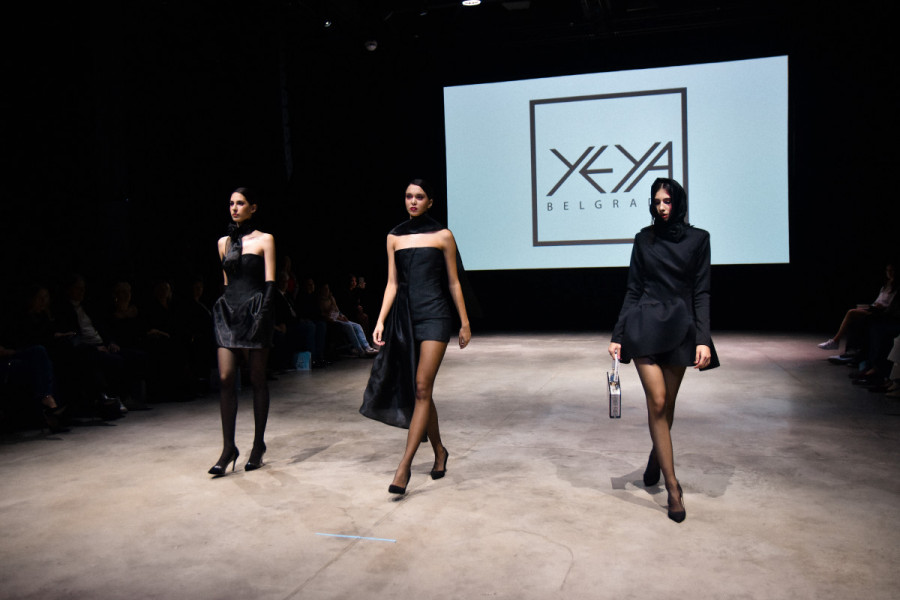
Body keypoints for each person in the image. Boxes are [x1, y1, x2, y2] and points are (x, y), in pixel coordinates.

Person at [608, 177, 719, 523]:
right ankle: (673, 487)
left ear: (678, 203)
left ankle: (657, 456)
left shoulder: (699, 239)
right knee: (657, 402)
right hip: (644, 324)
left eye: (667, 201)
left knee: (667, 405)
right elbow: (633, 288)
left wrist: (703, 339)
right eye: (656, 201)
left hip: (681, 326)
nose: (661, 207)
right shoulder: (644, 239)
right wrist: (618, 334)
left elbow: (701, 291)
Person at [360, 178, 471, 495]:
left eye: (419, 197)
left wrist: (464, 322)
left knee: (422, 386)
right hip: (404, 318)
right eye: (408, 196)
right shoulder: (394, 236)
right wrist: (380, 319)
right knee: (422, 390)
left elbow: (453, 282)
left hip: (435, 315)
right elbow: (392, 283)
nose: (413, 201)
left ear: (430, 202)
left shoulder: (443, 235)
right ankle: (439, 450)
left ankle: (404, 467)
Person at [208, 187, 276, 476]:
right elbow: (227, 282)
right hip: (228, 313)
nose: (234, 208)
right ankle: (228, 449)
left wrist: (262, 317)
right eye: (231, 203)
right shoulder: (223, 242)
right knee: (225, 378)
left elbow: (270, 283)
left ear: (253, 207)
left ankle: (258, 445)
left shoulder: (265, 239)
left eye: (240, 203)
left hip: (255, 311)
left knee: (257, 379)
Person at [818, 262, 896, 352]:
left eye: (892, 270)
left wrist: (881, 307)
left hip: (885, 313)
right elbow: (878, 301)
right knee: (854, 316)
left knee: (851, 313)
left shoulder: (896, 288)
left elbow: (892, 305)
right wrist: (872, 306)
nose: (889, 273)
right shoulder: (885, 286)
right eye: (888, 270)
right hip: (876, 310)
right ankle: (849, 350)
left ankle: (836, 341)